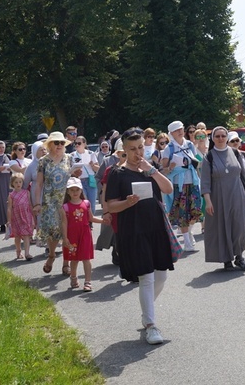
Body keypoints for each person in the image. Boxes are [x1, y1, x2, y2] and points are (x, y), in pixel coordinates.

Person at [105, 127, 176, 345]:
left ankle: (147, 314)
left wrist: (152, 171)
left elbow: (169, 189)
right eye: (132, 149)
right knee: (146, 276)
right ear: (124, 150)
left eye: (140, 148)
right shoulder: (118, 173)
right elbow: (111, 206)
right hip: (134, 230)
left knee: (161, 276)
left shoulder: (150, 168)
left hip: (156, 227)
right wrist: (127, 202)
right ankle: (151, 326)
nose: (138, 153)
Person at [200, 126, 245, 271]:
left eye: (223, 136)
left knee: (240, 225)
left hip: (238, 194)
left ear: (227, 137)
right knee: (223, 226)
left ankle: (239, 257)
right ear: (213, 138)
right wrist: (208, 201)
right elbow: (205, 181)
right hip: (218, 196)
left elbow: (243, 175)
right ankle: (226, 258)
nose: (220, 139)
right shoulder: (209, 157)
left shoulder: (236, 153)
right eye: (217, 136)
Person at [34, 131, 81, 276]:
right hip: (49, 201)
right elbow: (39, 184)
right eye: (56, 143)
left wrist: (77, 174)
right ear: (50, 145)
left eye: (62, 143)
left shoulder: (69, 159)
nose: (60, 145)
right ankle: (52, 255)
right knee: (53, 231)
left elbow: (75, 179)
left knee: (68, 231)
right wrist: (37, 203)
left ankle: (66, 263)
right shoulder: (44, 161)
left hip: (67, 200)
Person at [62, 177, 110, 291]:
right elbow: (63, 223)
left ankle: (87, 281)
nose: (74, 192)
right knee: (74, 259)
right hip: (72, 235)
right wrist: (64, 238)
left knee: (86, 259)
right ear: (68, 191)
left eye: (77, 189)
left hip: (85, 234)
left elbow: (91, 218)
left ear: (81, 190)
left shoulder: (86, 203)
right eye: (72, 190)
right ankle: (73, 278)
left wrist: (103, 220)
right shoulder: (65, 207)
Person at [161, 120, 202, 251]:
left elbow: (197, 162)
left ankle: (188, 232)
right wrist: (171, 167)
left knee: (196, 210)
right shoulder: (169, 148)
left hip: (193, 181)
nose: (180, 132)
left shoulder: (189, 144)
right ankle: (187, 241)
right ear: (171, 133)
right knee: (182, 213)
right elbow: (164, 170)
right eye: (177, 130)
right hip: (179, 184)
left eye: (181, 129)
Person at [7, 172, 34, 260]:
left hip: (26, 216)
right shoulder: (11, 195)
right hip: (16, 218)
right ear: (12, 184)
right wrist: (9, 220)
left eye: (20, 182)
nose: (18, 184)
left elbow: (30, 204)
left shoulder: (26, 192)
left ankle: (27, 253)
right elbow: (9, 208)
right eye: (16, 182)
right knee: (17, 236)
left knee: (26, 235)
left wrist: (33, 217)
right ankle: (18, 251)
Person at [71, 136, 100, 216]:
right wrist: (74, 172)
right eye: (75, 143)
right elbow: (69, 171)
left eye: (79, 143)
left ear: (84, 144)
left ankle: (90, 222)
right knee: (83, 204)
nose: (77, 145)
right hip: (79, 181)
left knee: (92, 204)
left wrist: (93, 165)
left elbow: (98, 169)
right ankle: (86, 223)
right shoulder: (72, 155)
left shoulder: (91, 153)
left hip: (90, 180)